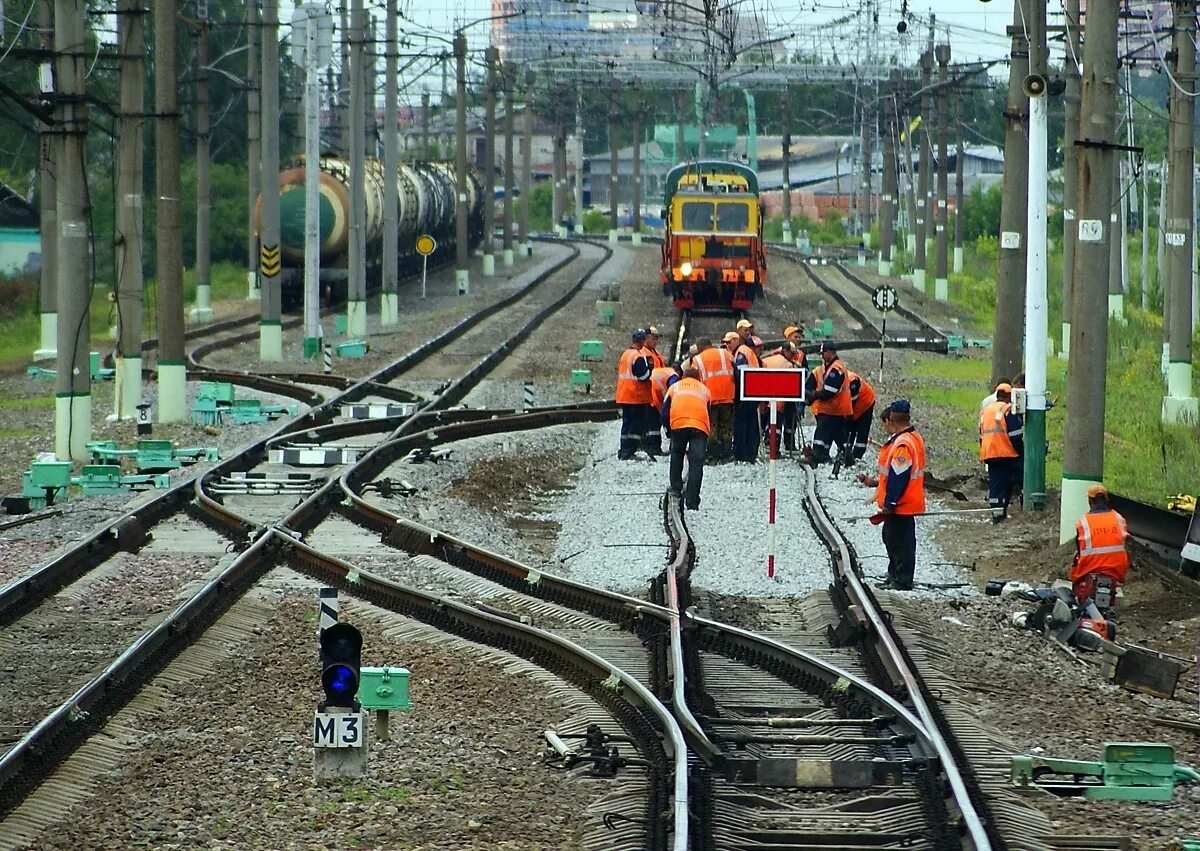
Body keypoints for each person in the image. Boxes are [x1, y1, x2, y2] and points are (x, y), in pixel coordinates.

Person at [873, 400, 927, 591]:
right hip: (907, 501)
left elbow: (899, 476)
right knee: (892, 538)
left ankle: (902, 579)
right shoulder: (913, 437)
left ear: (892, 420)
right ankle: (894, 574)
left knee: (899, 542)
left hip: (902, 503)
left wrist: (890, 502)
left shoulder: (903, 444)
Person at [1069, 484, 1130, 609]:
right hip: (1115, 569)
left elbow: (1080, 549)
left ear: (1090, 501)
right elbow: (1124, 543)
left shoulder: (1083, 522)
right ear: (1106, 499)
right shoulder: (1119, 519)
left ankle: (1079, 601)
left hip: (1090, 567)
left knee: (1076, 573)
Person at [662, 366, 712, 510]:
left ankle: (676, 487)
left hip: (679, 422)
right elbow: (708, 410)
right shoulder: (704, 389)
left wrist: (668, 431)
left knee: (677, 453)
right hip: (699, 425)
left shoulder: (674, 387)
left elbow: (665, 412)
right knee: (696, 463)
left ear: (683, 376)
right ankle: (692, 500)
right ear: (698, 378)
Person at [979, 382, 1024, 522]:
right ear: (1009, 396)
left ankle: (996, 513)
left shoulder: (986, 411)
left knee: (996, 484)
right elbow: (1015, 435)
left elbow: (981, 434)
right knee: (1014, 480)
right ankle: (1011, 509)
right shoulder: (1007, 409)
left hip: (989, 453)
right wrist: (1021, 452)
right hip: (1005, 453)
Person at [804, 341, 851, 464]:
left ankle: (817, 455)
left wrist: (813, 395)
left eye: (823, 353)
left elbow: (829, 391)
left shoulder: (836, 369)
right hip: (835, 409)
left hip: (833, 408)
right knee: (838, 434)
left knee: (821, 432)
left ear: (830, 352)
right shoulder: (829, 368)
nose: (822, 356)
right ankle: (846, 457)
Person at [693, 336, 735, 462]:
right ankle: (726, 454)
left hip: (710, 397)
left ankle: (713, 455)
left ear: (700, 347)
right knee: (726, 425)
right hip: (728, 395)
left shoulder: (697, 359)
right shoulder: (726, 353)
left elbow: (695, 378)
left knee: (712, 426)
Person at [615, 329, 653, 460]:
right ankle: (629, 451)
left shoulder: (626, 354)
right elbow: (643, 376)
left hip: (625, 395)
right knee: (636, 424)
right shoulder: (637, 356)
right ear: (642, 341)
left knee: (626, 423)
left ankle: (623, 449)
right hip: (636, 396)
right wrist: (650, 368)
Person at [760, 341, 803, 451]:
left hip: (764, 397)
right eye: (791, 354)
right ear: (785, 351)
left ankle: (768, 445)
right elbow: (791, 386)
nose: (793, 356)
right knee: (777, 426)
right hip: (780, 400)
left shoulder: (766, 360)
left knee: (769, 424)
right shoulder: (788, 365)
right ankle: (777, 449)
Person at [732, 333, 763, 462]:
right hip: (750, 395)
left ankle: (743, 454)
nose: (760, 351)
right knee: (750, 425)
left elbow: (740, 375)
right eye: (759, 349)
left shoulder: (743, 353)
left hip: (746, 395)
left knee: (743, 424)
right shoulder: (747, 354)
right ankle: (749, 453)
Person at [647, 360, 682, 456]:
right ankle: (655, 448)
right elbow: (674, 389)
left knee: (651, 425)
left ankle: (650, 446)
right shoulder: (673, 375)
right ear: (679, 371)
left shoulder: (663, 371)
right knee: (655, 424)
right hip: (654, 399)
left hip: (646, 396)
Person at [845, 370, 877, 463]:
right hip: (854, 404)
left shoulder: (852, 381)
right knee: (848, 428)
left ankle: (857, 455)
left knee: (862, 430)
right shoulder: (836, 380)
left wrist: (848, 415)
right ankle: (846, 452)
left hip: (865, 403)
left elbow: (851, 402)